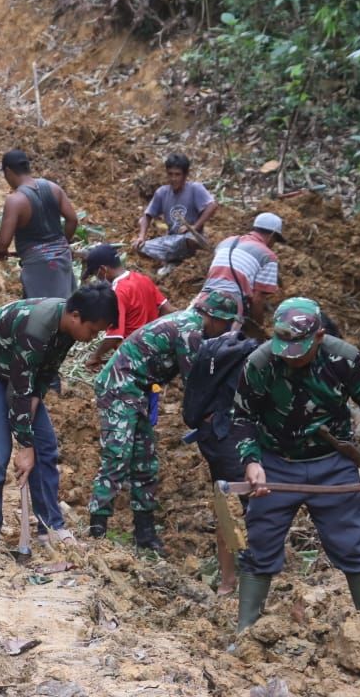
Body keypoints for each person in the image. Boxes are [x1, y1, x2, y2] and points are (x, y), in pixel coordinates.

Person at [231, 297, 360, 631]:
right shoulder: (260, 363)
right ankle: (245, 631)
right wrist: (251, 462)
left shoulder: (344, 359)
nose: (291, 359)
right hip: (275, 463)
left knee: (351, 544)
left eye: (300, 351)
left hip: (332, 464)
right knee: (260, 547)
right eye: (284, 349)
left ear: (319, 336)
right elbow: (242, 415)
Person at [0, 283, 119, 550]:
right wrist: (24, 445)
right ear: (75, 315)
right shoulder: (36, 328)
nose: (92, 338)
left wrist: (31, 438)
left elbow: (40, 378)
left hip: (18, 376)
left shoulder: (68, 329)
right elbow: (19, 391)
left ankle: (50, 528)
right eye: (92, 330)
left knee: (45, 448)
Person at [88, 291, 239, 555]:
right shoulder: (189, 330)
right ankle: (97, 531)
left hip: (139, 391)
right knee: (118, 457)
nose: (224, 330)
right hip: (120, 387)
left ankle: (144, 534)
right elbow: (196, 382)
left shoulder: (190, 325)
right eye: (225, 324)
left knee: (145, 461)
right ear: (213, 318)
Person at [181, 330, 259, 594]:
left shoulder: (244, 358)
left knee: (228, 503)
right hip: (228, 435)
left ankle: (231, 581)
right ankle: (236, 583)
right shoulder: (261, 362)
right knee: (237, 507)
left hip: (216, 434)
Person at [0, 149, 79, 299]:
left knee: (41, 310)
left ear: (8, 171)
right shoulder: (53, 188)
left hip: (38, 266)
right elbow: (72, 220)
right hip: (63, 258)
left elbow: (3, 242)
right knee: (65, 305)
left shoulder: (16, 200)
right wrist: (61, 244)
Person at [80, 243, 170, 369]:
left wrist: (95, 356)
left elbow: (115, 335)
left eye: (96, 274)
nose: (98, 278)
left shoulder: (117, 292)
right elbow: (167, 309)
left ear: (103, 270)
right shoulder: (142, 278)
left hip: (135, 352)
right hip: (156, 347)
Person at [194, 212, 283, 335]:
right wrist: (258, 331)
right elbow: (257, 300)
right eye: (275, 240)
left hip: (203, 297)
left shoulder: (226, 241)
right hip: (229, 304)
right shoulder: (268, 256)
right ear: (272, 235)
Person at [133, 153, 217, 275]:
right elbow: (147, 215)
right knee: (140, 247)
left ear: (185, 175)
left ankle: (181, 261)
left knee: (190, 239)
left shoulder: (195, 189)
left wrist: (195, 226)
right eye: (170, 174)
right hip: (172, 240)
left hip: (190, 239)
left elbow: (212, 205)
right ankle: (173, 262)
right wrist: (141, 236)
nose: (173, 178)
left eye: (177, 174)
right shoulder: (162, 192)